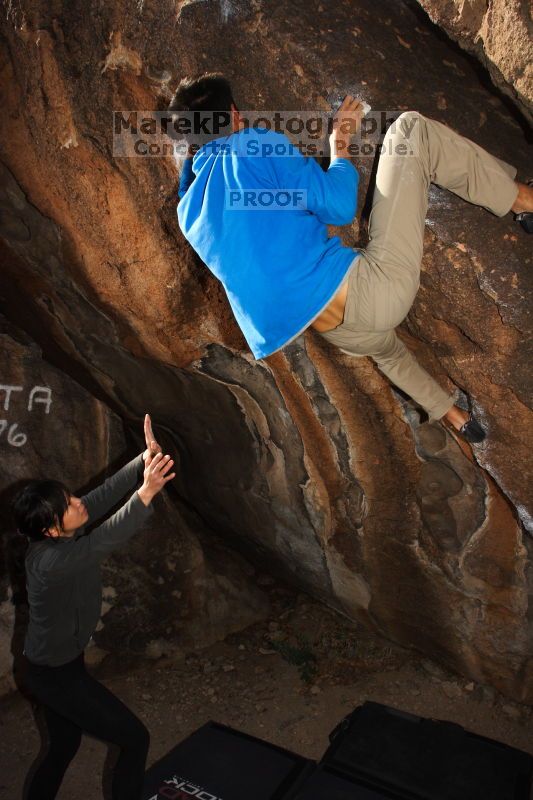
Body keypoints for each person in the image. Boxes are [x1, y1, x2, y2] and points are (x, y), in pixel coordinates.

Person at [168, 73, 533, 443]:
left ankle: (455, 417)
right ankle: (523, 200)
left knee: (388, 352)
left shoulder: (189, 213)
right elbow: (339, 207)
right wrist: (339, 143)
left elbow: (217, 191)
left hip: (339, 333)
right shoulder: (252, 145)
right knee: (411, 132)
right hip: (371, 293)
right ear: (234, 115)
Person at [12, 414, 175, 800]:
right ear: (51, 530)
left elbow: (98, 498)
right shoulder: (49, 562)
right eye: (67, 504)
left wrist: (142, 461)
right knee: (135, 739)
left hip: (57, 665)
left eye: (68, 496)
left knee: (64, 745)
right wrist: (145, 493)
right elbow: (103, 539)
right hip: (52, 676)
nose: (76, 502)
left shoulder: (60, 531)